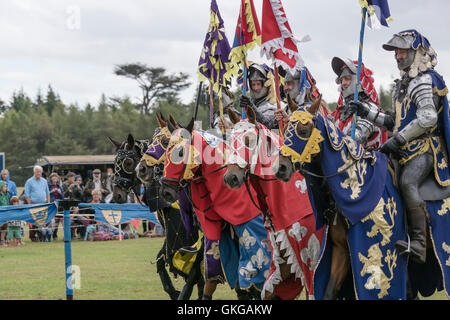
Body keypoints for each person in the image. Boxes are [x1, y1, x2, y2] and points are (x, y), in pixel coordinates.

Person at [353, 30, 448, 264]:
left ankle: (418, 243)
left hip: (425, 149)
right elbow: (392, 120)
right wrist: (366, 110)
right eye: (396, 52)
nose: (398, 56)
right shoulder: (402, 85)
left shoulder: (424, 80)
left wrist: (397, 139)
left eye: (402, 51)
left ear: (416, 52)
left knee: (407, 182)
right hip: (403, 150)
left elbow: (428, 118)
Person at [329, 57, 388, 150]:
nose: (343, 83)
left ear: (359, 80)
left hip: (367, 162)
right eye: (341, 80)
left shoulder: (369, 109)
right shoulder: (338, 114)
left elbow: (355, 141)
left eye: (347, 79)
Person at [239, 62, 283, 130]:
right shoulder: (252, 102)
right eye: (253, 84)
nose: (255, 88)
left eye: (258, 84)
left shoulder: (273, 104)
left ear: (266, 84)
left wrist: (251, 106)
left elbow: (267, 124)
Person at [25, 165, 50, 242]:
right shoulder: (29, 181)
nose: (39, 173)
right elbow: (27, 194)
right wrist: (30, 204)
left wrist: (48, 203)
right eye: (37, 171)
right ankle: (32, 237)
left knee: (42, 221)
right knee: (33, 221)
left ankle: (41, 236)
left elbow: (47, 193)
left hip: (43, 204)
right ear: (34, 172)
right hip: (33, 204)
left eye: (40, 172)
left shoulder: (44, 181)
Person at [0, 181, 11, 246]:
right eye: (4, 186)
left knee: (5, 228)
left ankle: (2, 241)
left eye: (6, 186)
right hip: (0, 214)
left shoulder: (6, 194)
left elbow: (9, 201)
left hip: (6, 213)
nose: (5, 188)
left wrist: (7, 193)